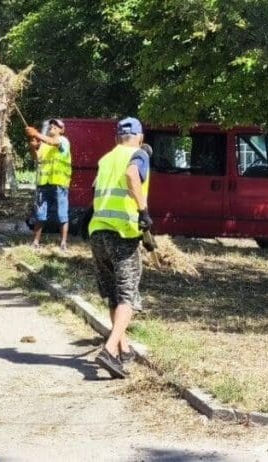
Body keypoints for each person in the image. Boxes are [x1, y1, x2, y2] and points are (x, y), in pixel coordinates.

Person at [88, 117, 152, 379]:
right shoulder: (138, 154)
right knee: (128, 295)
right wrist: (143, 210)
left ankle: (123, 349)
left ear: (116, 138)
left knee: (113, 294)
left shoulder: (106, 159)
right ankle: (109, 349)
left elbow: (95, 188)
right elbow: (130, 175)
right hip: (123, 233)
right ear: (140, 136)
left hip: (97, 231)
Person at [25, 119, 72, 250]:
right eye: (52, 125)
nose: (53, 126)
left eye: (57, 126)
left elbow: (53, 142)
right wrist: (33, 146)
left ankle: (63, 244)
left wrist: (36, 133)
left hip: (59, 184)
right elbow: (37, 158)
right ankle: (35, 242)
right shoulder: (44, 145)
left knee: (62, 215)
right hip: (43, 184)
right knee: (40, 214)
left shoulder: (63, 141)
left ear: (62, 130)